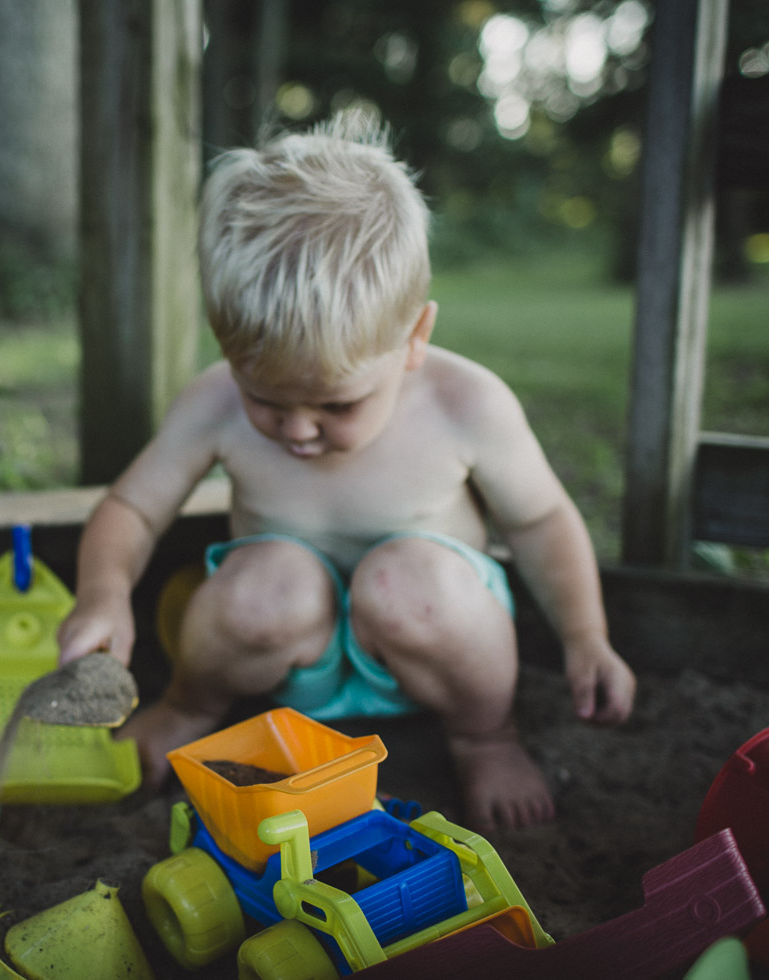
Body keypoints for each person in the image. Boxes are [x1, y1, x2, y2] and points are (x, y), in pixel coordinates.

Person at [55, 109, 636, 831]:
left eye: (337, 402)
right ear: (225, 345)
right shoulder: (213, 404)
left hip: (429, 650)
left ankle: (485, 738)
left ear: (414, 338)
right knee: (267, 584)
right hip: (290, 659)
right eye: (264, 397)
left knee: (407, 581)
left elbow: (542, 520)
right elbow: (134, 510)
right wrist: (104, 593)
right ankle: (190, 708)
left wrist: (587, 637)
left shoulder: (466, 405)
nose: (297, 430)